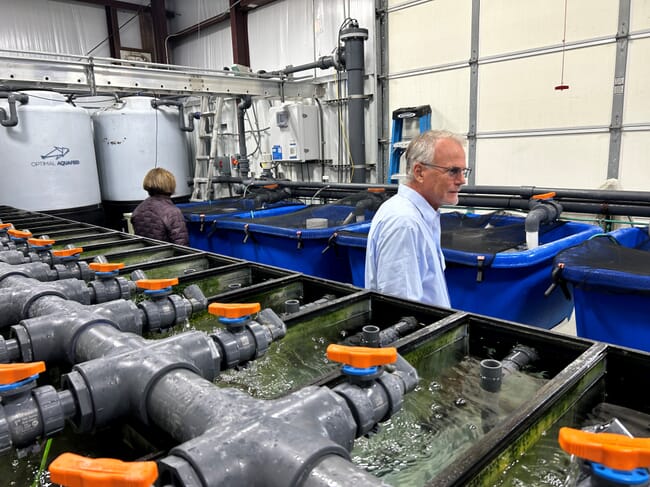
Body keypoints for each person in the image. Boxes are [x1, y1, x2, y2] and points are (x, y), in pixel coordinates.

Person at [365, 130, 469, 307]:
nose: (462, 180)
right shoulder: (405, 223)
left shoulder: (422, 216)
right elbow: (399, 312)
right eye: (452, 171)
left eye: (463, 171)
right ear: (419, 172)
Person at [131, 167, 189, 246]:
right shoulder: (172, 212)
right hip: (167, 257)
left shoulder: (138, 209)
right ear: (170, 185)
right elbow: (182, 247)